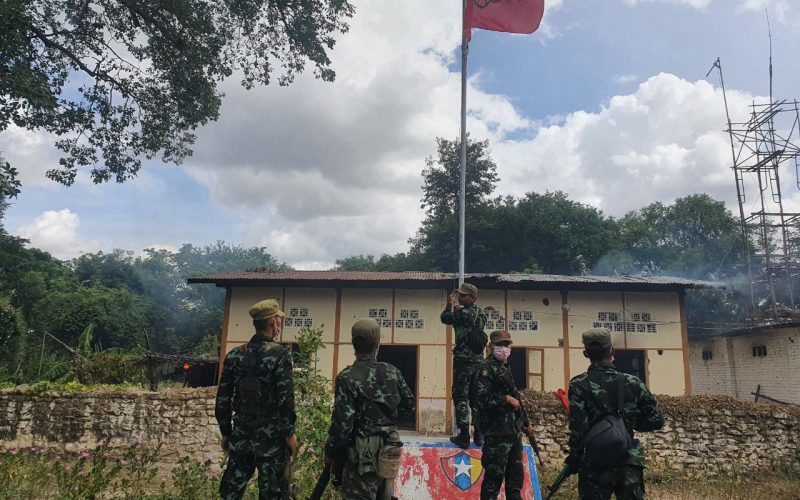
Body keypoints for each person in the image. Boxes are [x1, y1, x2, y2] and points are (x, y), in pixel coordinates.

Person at [565, 328, 665, 500]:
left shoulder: (578, 385)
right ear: (612, 351)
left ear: (585, 353)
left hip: (594, 463)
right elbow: (656, 420)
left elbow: (578, 429)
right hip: (628, 461)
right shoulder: (633, 382)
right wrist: (628, 424)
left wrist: (574, 458)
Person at [324, 318, 415, 500]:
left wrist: (330, 452)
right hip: (389, 453)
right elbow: (409, 405)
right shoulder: (392, 371)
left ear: (353, 344)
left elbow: (342, 426)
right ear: (378, 344)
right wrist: (388, 424)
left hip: (360, 458)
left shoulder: (347, 377)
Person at [215, 298, 297, 499]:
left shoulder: (235, 355)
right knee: (272, 493)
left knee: (230, 493)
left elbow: (222, 399)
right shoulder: (280, 355)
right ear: (274, 323)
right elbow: (285, 401)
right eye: (279, 320)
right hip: (272, 440)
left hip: (241, 434)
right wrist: (289, 435)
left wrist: (226, 432)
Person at [473, 330, 533, 500]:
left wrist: (526, 423)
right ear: (491, 346)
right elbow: (482, 401)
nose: (504, 348)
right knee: (492, 484)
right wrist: (505, 399)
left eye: (507, 344)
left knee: (515, 483)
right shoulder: (484, 369)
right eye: (500, 345)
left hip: (513, 433)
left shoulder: (505, 368)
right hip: (496, 435)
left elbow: (517, 399)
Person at [440, 282, 487, 448]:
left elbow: (445, 318)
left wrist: (450, 304)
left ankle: (464, 435)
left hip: (463, 360)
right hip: (479, 361)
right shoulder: (481, 313)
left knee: (461, 396)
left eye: (463, 295)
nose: (460, 297)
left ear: (472, 297)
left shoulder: (463, 313)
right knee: (476, 397)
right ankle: (479, 434)